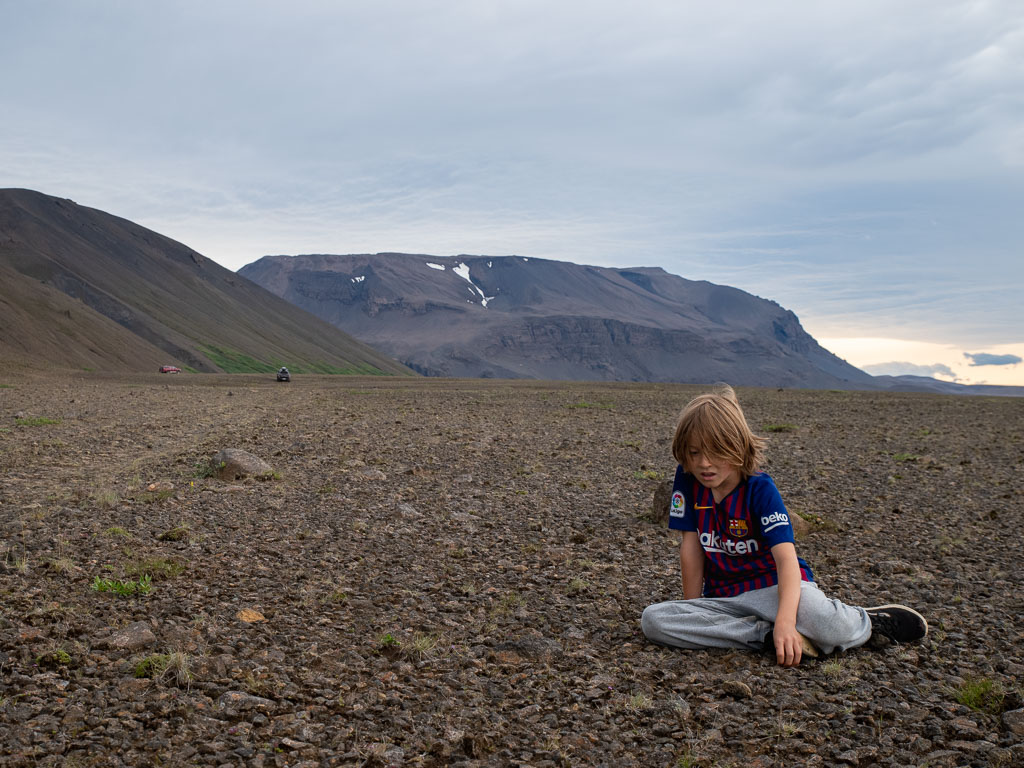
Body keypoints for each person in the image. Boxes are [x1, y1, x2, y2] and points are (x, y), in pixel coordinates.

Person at [641, 384, 927, 667]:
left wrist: (786, 621)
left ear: (737, 446)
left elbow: (786, 559)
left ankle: (866, 623)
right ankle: (765, 635)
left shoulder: (759, 488)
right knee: (654, 621)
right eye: (693, 453)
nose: (704, 463)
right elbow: (691, 548)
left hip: (774, 589)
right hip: (724, 598)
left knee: (827, 625)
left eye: (715, 452)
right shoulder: (688, 481)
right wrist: (694, 610)